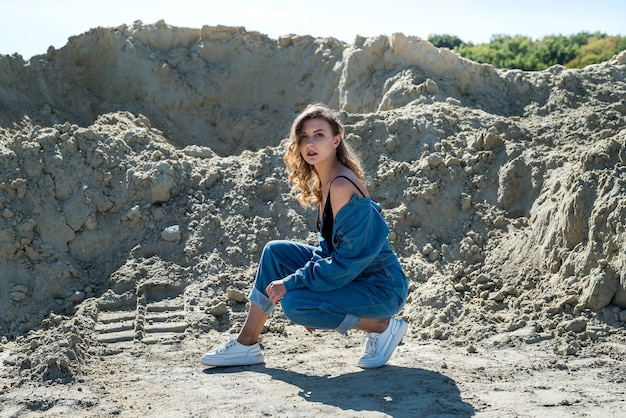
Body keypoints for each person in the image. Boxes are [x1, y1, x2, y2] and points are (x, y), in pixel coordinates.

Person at [201, 103, 409, 369]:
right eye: (304, 137)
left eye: (319, 135)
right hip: (356, 277)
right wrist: (302, 283)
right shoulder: (330, 182)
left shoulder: (343, 185)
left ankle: (382, 326)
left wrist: (293, 284)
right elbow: (328, 251)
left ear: (337, 139)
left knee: (297, 304)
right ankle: (246, 344)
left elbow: (346, 262)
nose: (310, 143)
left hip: (381, 288)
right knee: (275, 252)